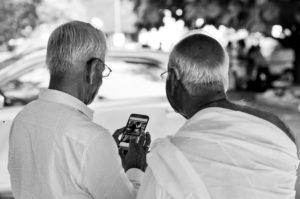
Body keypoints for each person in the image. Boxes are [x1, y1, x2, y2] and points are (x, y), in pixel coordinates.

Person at [137, 33, 299, 199]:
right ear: (225, 79)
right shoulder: (279, 131)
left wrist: (134, 171)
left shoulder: (168, 161)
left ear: (173, 78)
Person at [8, 21, 149, 199]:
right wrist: (135, 169)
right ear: (94, 69)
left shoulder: (24, 117)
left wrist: (107, 158)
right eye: (102, 69)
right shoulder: (91, 138)